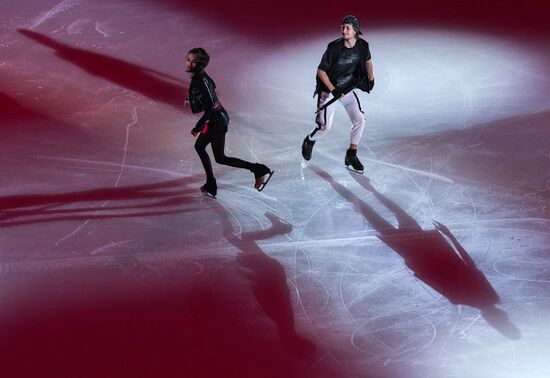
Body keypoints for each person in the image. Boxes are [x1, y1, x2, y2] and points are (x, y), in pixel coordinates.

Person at [186, 48, 273, 197]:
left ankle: (212, 184)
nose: (188, 63)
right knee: (219, 157)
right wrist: (192, 101)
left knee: (201, 147)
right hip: (216, 120)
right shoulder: (200, 77)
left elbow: (212, 105)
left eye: (192, 61)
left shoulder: (201, 79)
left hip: (216, 121)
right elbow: (210, 97)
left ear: (199, 63)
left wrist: (198, 127)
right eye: (188, 59)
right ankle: (257, 169)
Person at [301, 15, 374, 173]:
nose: (344, 29)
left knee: (360, 120)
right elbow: (321, 71)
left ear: (355, 31)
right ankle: (309, 140)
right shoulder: (334, 48)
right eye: (342, 26)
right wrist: (334, 90)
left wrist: (371, 78)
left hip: (347, 88)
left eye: (347, 27)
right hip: (330, 91)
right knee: (325, 127)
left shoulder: (363, 46)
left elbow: (368, 61)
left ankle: (351, 154)